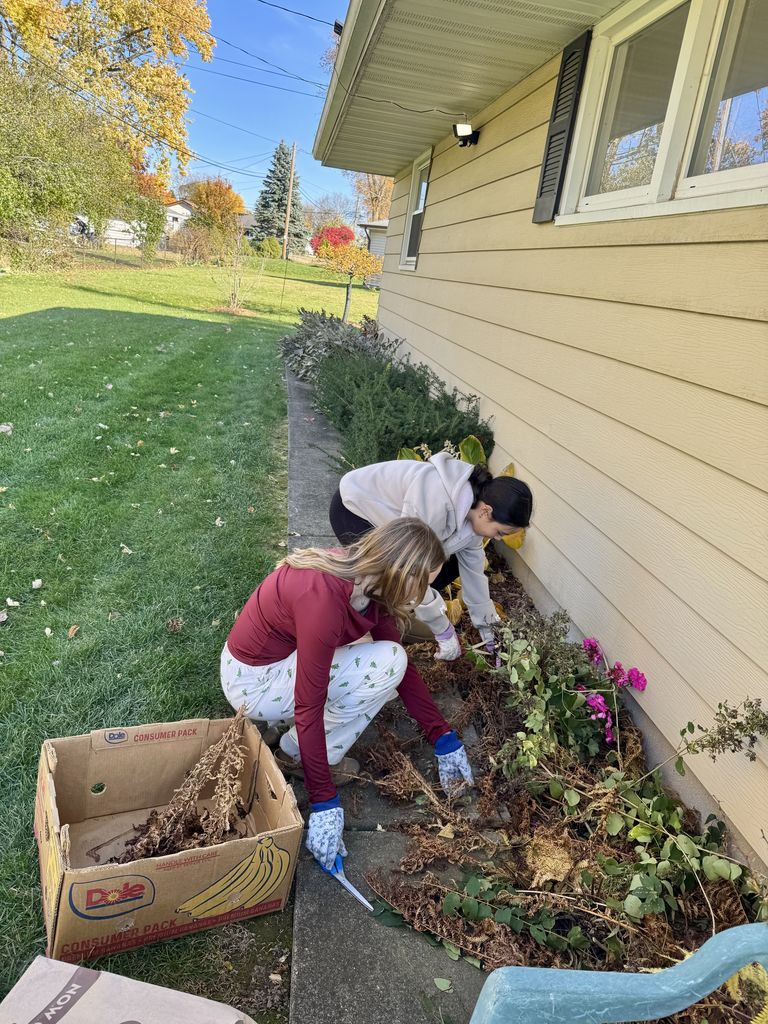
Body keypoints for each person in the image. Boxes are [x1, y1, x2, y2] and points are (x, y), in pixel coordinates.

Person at [221, 518, 473, 871]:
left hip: (277, 664)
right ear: (402, 573)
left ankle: (293, 747)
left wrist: (442, 735)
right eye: (422, 585)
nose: (420, 597)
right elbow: (309, 702)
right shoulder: (323, 597)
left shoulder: (368, 580)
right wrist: (324, 801)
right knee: (383, 666)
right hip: (252, 683)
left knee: (389, 664)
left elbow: (400, 666)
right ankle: (299, 755)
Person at [330, 456, 533, 660]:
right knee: (381, 576)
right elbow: (410, 566)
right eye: (500, 532)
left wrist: (490, 632)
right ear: (486, 511)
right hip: (357, 509)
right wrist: (442, 630)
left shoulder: (474, 523)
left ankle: (388, 615)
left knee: (449, 566)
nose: (496, 538)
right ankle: (351, 630)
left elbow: (475, 576)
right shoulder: (434, 497)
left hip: (400, 529)